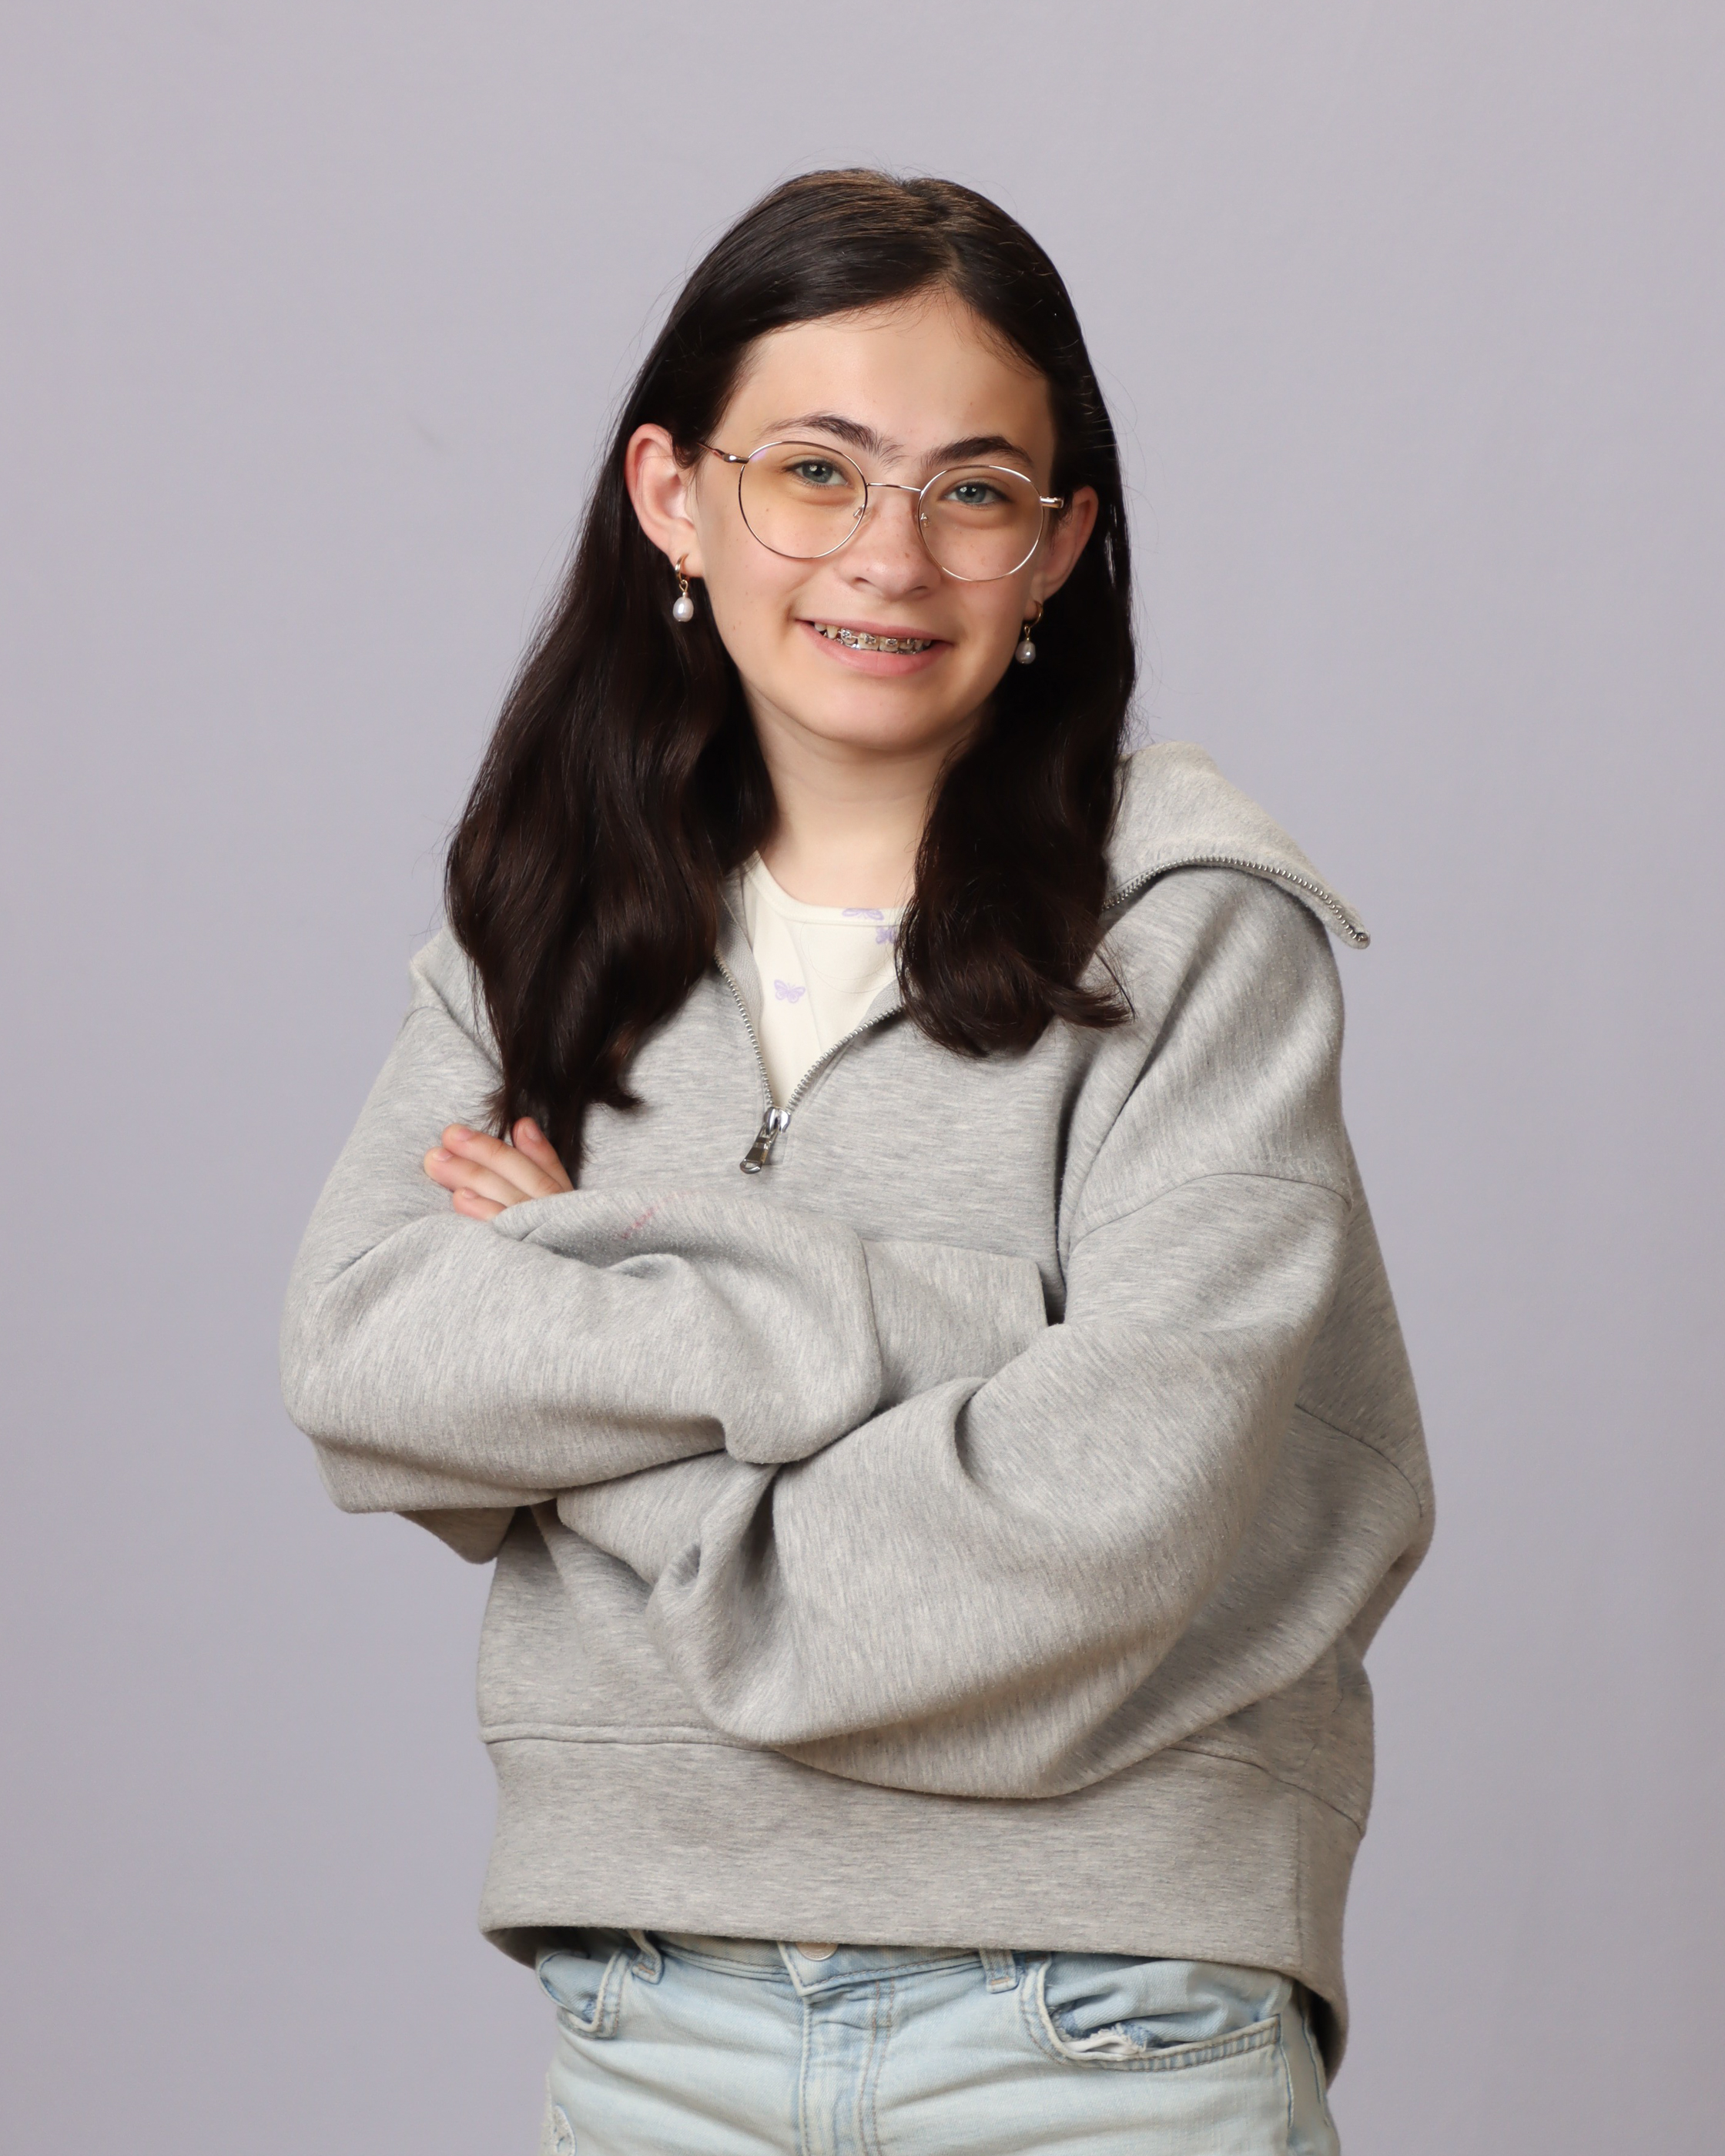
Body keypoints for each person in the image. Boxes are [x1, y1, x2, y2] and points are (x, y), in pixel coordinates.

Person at [281, 168, 1431, 2156]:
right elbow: (364, 1361)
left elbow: (1102, 1524)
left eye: (973, 491)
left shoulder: (1194, 936)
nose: (889, 557)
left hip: (1105, 2024)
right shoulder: (544, 932)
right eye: (815, 471)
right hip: (655, 2019)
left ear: (1058, 547)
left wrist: (602, 1315)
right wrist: (970, 1331)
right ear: (676, 496)